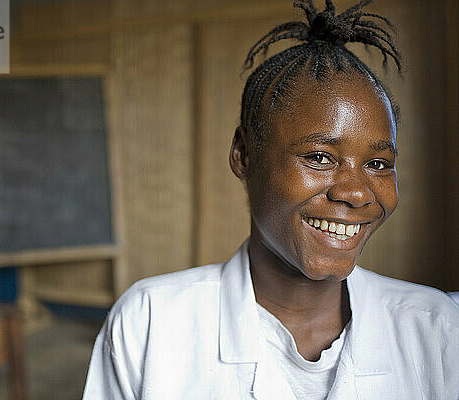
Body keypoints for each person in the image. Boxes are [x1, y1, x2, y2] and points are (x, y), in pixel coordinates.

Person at [82, 1, 459, 399]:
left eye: (379, 163)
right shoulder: (150, 324)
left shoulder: (437, 328)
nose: (356, 192)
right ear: (243, 155)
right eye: (319, 157)